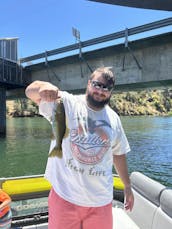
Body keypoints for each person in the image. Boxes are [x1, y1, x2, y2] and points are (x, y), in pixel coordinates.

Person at [25, 67, 134, 229]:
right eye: (97, 84)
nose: (100, 91)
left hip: (101, 202)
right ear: (88, 83)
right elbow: (30, 91)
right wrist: (43, 87)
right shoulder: (66, 102)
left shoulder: (114, 119)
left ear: (111, 92)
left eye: (106, 88)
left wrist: (127, 186)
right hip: (64, 198)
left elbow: (119, 154)